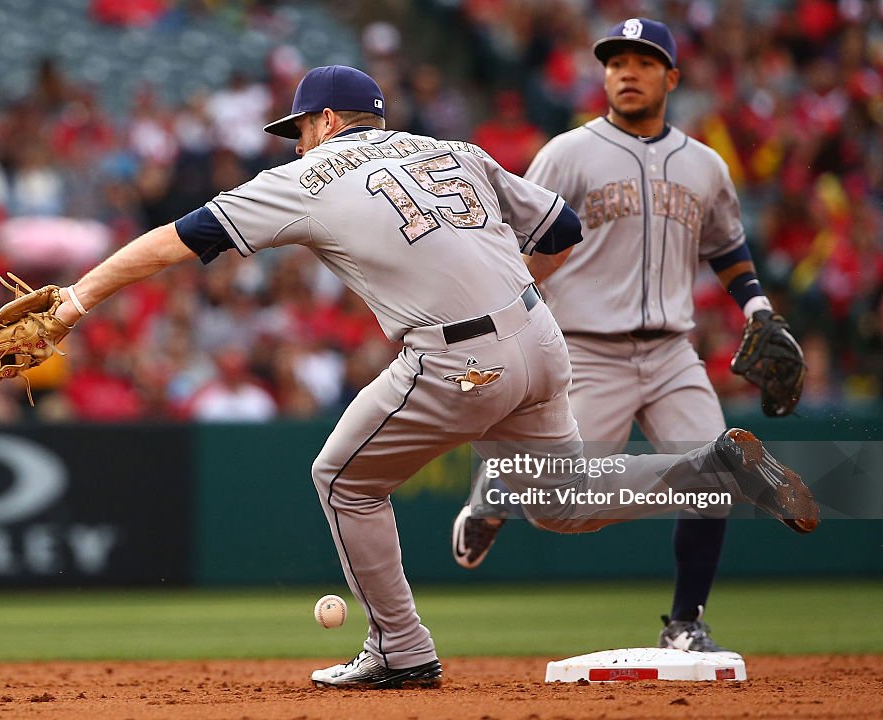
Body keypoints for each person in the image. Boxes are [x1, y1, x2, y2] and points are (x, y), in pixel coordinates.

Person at [41, 65, 817, 689]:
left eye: (300, 127)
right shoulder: (455, 150)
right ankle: (710, 467)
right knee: (559, 502)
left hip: (458, 356)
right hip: (542, 338)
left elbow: (180, 240)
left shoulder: (308, 177)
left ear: (326, 122)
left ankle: (401, 649)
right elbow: (565, 227)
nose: (297, 140)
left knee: (342, 477)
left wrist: (75, 300)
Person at [451, 18, 804, 653]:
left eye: (643, 63)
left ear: (671, 77)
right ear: (604, 76)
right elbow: (514, 242)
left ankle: (685, 623)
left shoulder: (704, 165)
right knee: (558, 508)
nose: (627, 73)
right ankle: (499, 485)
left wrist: (757, 308)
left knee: (716, 475)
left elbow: (728, 245)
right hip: (587, 350)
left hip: (673, 352)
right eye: (616, 63)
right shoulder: (567, 153)